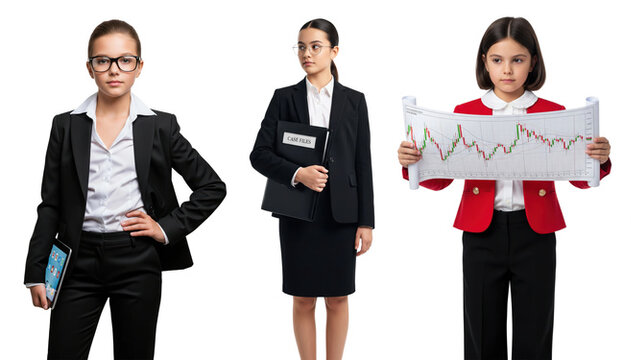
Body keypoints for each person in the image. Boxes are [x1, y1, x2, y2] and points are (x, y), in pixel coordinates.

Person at [397, 16, 611, 360]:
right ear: (485, 62)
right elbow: (439, 178)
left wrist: (598, 158)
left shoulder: (554, 114)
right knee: (481, 332)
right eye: (497, 60)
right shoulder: (464, 113)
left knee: (535, 331)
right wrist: (413, 162)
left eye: (517, 60)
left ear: (533, 63)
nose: (507, 70)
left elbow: (581, 177)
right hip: (481, 232)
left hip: (536, 231)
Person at [23, 19, 226, 359]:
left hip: (136, 259)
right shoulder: (66, 125)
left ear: (139, 67)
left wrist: (165, 228)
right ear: (90, 68)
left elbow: (212, 186)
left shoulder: (160, 126)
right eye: (102, 61)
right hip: (77, 260)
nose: (114, 70)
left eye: (125, 60)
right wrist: (35, 270)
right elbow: (51, 203)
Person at [249, 18, 374, 360]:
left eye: (315, 46)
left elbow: (363, 164)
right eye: (301, 47)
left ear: (334, 51)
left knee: (337, 297)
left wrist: (367, 221)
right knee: (302, 297)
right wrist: (297, 173)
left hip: (342, 213)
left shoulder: (355, 101)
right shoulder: (283, 98)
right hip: (298, 212)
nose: (307, 53)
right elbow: (258, 155)